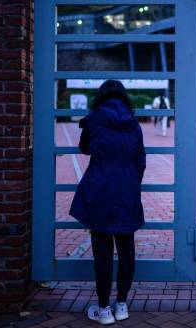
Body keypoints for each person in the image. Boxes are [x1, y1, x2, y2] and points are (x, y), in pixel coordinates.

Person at [69, 80, 146, 325]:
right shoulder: (133, 123)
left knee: (102, 252)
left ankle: (103, 310)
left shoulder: (93, 119)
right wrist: (133, 181)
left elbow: (84, 149)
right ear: (124, 98)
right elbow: (141, 158)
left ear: (101, 97)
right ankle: (121, 305)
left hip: (100, 188)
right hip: (127, 189)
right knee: (127, 251)